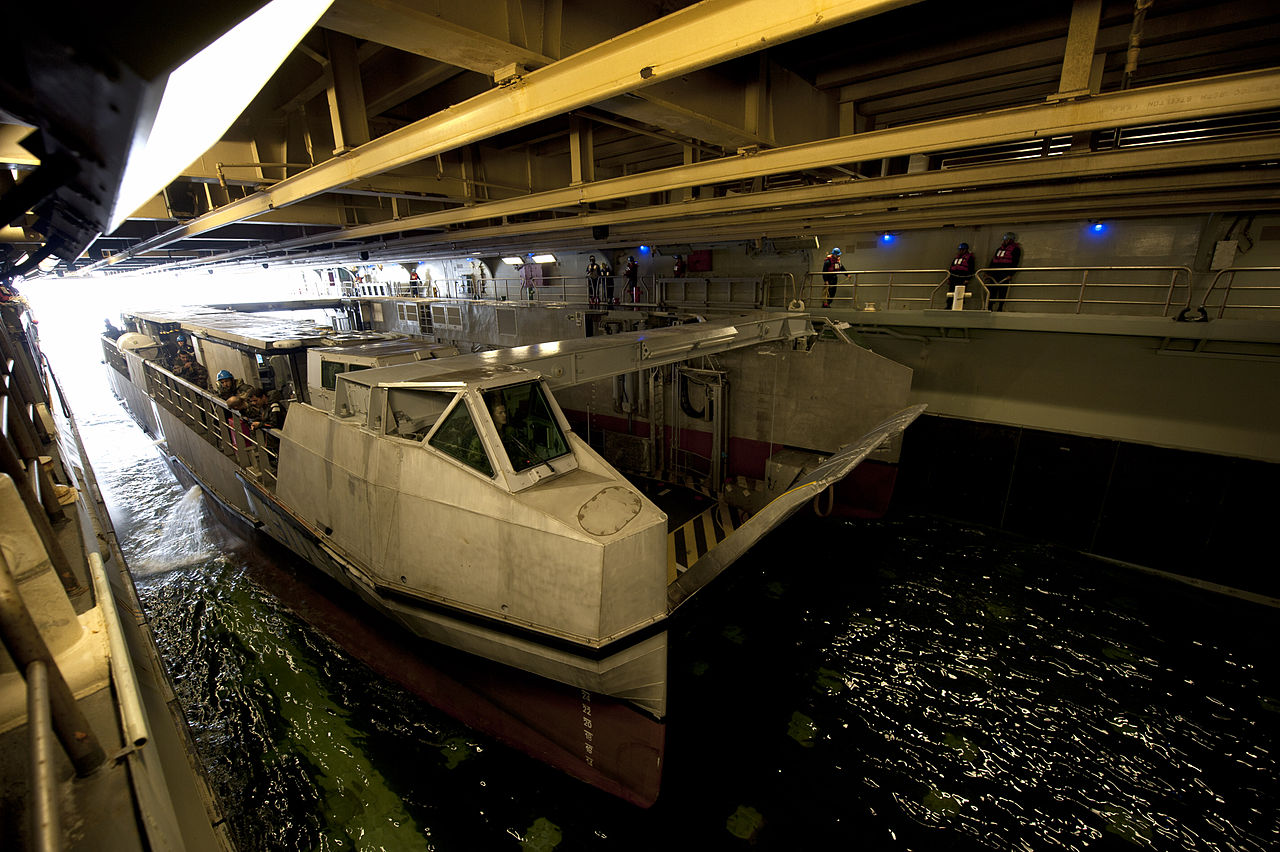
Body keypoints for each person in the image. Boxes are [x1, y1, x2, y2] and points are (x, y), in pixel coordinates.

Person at [986, 232, 1022, 311]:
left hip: (1004, 273)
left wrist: (1011, 274)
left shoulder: (1016, 250)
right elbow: (993, 261)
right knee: (991, 290)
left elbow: (1015, 262)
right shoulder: (999, 249)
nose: (1005, 241)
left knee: (1002, 291)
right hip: (995, 273)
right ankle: (989, 306)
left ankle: (1000, 307)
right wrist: (988, 272)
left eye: (1007, 240)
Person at [946, 242, 976, 308]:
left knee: (960, 293)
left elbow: (971, 269)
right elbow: (951, 268)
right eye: (960, 250)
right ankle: (948, 306)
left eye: (962, 250)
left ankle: (959, 306)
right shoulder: (956, 258)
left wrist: (967, 279)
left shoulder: (970, 258)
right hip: (954, 277)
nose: (960, 251)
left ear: (965, 250)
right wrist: (949, 278)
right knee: (951, 291)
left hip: (962, 278)